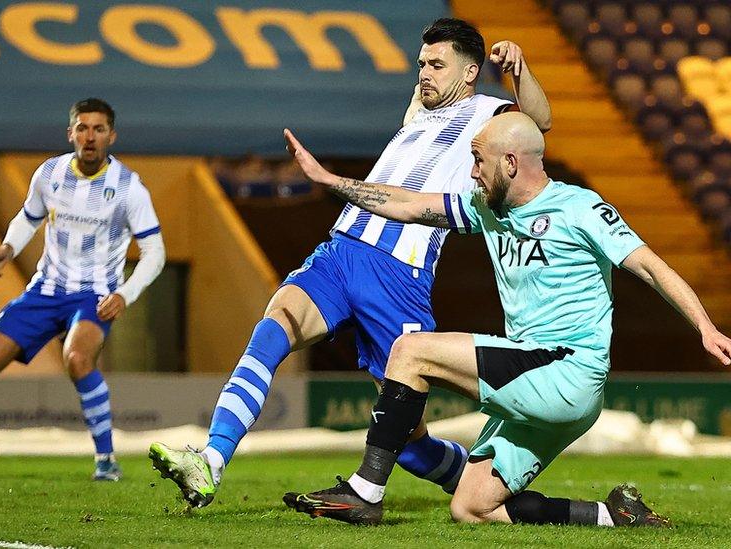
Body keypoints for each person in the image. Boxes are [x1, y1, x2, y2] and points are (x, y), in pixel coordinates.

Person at [149, 18, 553, 508]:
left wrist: (520, 71)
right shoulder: (419, 112)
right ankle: (210, 461)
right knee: (274, 325)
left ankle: (488, 495)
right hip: (341, 250)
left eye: (437, 65)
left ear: (470, 73)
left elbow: (541, 123)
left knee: (411, 446)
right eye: (421, 63)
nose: (424, 72)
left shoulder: (489, 113)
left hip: (398, 273)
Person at [279, 113, 731, 526]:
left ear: (511, 163)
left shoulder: (579, 208)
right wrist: (328, 180)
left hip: (565, 369)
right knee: (471, 508)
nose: (473, 171)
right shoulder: (486, 208)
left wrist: (705, 327)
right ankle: (613, 515)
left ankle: (366, 491)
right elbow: (410, 206)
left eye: (478, 160)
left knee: (410, 351)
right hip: (539, 379)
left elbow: (651, 266)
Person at [0, 98, 166, 481]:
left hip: (94, 294)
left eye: (99, 129)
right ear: (71, 134)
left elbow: (155, 252)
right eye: (82, 128)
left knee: (78, 359)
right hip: (45, 290)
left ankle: (106, 460)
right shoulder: (49, 173)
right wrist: (7, 249)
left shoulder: (129, 188)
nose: (90, 136)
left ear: (111, 136)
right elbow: (28, 218)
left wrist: (124, 294)